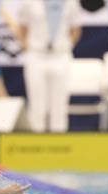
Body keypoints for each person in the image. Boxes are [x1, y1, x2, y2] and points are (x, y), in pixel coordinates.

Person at [17, 0, 82, 132]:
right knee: (37, 106)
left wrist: (68, 45)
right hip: (37, 55)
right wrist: (24, 43)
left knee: (59, 106)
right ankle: (35, 141)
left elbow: (76, 28)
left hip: (60, 55)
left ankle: (59, 141)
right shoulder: (29, 2)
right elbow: (22, 26)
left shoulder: (70, 3)